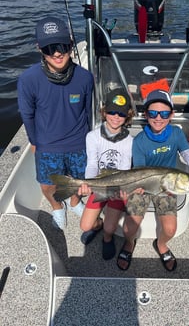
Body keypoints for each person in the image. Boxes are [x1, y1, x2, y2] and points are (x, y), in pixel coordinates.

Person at [117, 89, 189, 271]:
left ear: (171, 114)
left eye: (164, 113)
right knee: (128, 230)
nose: (158, 117)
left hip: (168, 186)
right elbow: (139, 170)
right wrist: (136, 188)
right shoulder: (138, 141)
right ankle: (130, 243)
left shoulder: (176, 134)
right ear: (146, 114)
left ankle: (161, 245)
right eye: (153, 113)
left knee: (170, 230)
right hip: (143, 186)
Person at [17, 16, 93, 230]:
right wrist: (34, 141)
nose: (58, 53)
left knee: (79, 181)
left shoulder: (86, 77)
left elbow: (88, 113)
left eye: (62, 45)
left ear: (70, 43)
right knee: (47, 184)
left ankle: (75, 201)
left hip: (79, 142)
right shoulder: (27, 79)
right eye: (50, 48)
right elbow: (27, 115)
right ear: (39, 48)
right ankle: (57, 206)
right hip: (47, 143)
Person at [78, 89, 134, 260]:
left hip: (116, 188)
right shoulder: (92, 136)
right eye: (112, 112)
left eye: (121, 114)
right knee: (85, 226)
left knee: (111, 229)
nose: (116, 117)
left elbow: (123, 170)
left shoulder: (129, 141)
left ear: (128, 116)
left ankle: (107, 237)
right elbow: (92, 164)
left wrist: (121, 189)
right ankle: (98, 225)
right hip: (99, 184)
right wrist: (88, 183)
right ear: (104, 111)